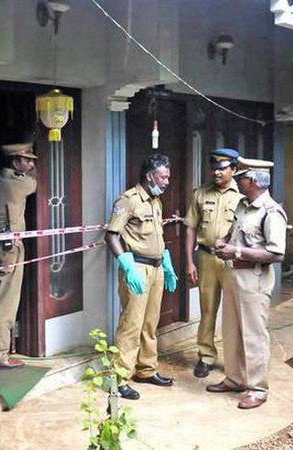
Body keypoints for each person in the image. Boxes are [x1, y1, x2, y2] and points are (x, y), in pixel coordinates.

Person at [208, 156, 287, 409]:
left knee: (254, 335)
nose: (238, 181)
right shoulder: (243, 205)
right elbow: (235, 233)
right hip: (233, 276)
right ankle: (235, 379)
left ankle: (257, 389)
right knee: (231, 331)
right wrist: (223, 242)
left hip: (254, 280)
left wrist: (237, 252)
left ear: (252, 181)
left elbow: (276, 253)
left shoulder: (271, 212)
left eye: (241, 177)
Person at [105, 153, 178, 400]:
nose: (167, 181)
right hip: (137, 268)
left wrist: (166, 262)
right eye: (163, 177)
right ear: (149, 176)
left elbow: (156, 235)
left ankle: (146, 369)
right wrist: (126, 264)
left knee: (150, 324)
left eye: (167, 177)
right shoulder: (129, 200)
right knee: (131, 324)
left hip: (156, 269)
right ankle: (119, 378)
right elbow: (111, 235)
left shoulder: (156, 201)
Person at [185, 149, 243, 378]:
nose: (216, 172)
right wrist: (189, 261)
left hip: (232, 261)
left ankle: (234, 359)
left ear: (234, 169)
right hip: (206, 258)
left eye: (222, 168)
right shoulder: (200, 194)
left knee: (233, 311)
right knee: (207, 309)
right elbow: (190, 228)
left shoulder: (242, 197)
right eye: (214, 168)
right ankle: (206, 356)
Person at [0, 142, 37, 370]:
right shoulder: (17, 184)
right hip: (8, 248)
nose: (31, 165)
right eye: (28, 160)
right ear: (15, 162)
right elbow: (36, 182)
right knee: (6, 301)